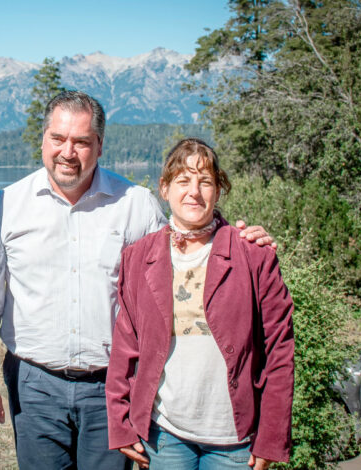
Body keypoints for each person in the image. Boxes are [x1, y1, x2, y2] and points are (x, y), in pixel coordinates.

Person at [0, 91, 275, 470]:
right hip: (34, 385)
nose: (68, 152)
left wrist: (238, 239)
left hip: (111, 387)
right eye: (58, 138)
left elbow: (186, 248)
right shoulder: (7, 205)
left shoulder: (135, 204)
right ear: (43, 139)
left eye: (82, 141)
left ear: (100, 146)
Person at [105, 138, 294, 469]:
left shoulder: (253, 256)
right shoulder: (138, 258)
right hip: (164, 434)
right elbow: (125, 347)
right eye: (183, 181)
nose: (194, 192)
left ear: (218, 191)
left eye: (205, 181)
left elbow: (279, 350)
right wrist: (120, 424)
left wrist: (272, 437)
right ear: (164, 188)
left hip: (234, 440)